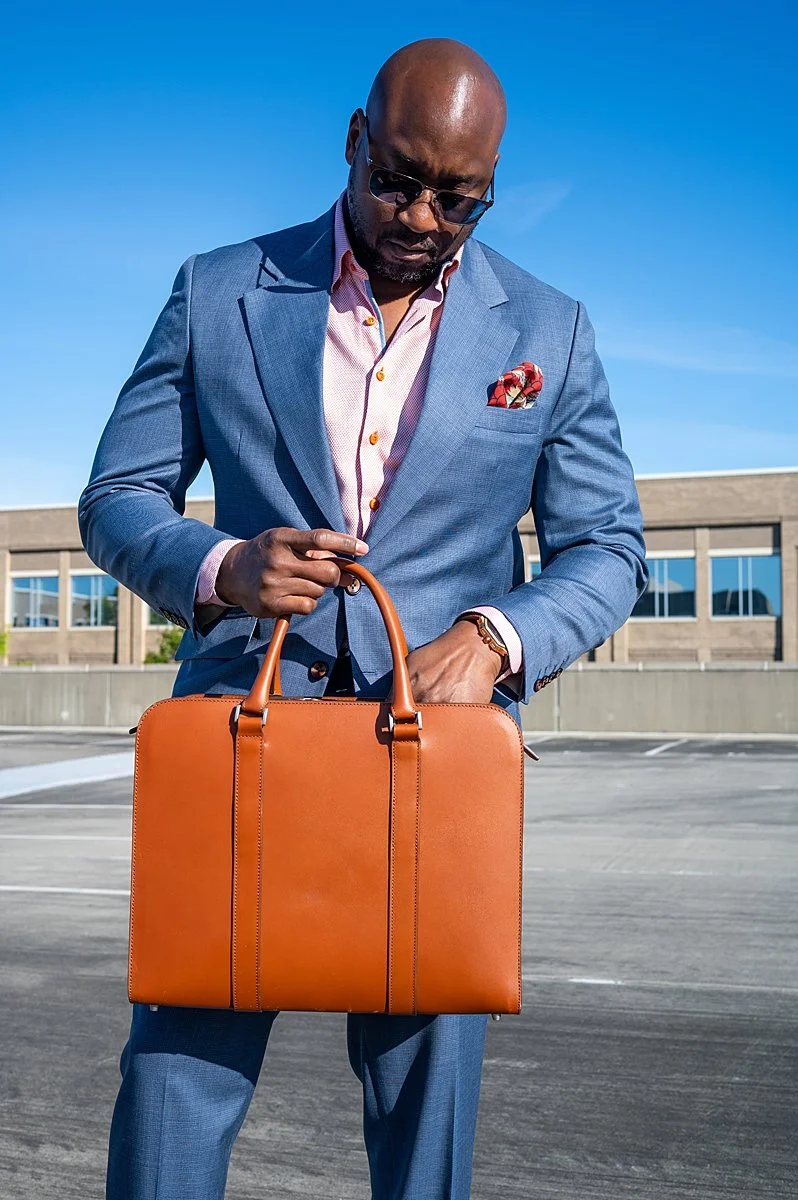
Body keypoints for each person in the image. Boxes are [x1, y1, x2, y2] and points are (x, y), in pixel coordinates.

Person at [79, 36, 647, 1200]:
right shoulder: (216, 288)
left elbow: (608, 550)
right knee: (175, 1086)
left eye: (460, 199)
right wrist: (224, 564)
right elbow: (117, 498)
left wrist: (496, 636)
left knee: (426, 1110)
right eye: (397, 179)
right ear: (352, 140)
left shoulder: (552, 329)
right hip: (242, 747)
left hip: (435, 776)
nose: (423, 217)